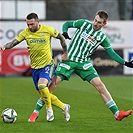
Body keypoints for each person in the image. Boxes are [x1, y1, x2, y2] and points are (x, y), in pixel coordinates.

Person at [47, 10, 133, 121]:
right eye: (95, 20)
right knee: (52, 85)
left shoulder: (102, 37)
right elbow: (67, 24)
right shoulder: (84, 24)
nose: (96, 23)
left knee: (100, 86)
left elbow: (112, 53)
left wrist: (125, 63)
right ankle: (36, 111)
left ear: (104, 24)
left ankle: (117, 113)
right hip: (69, 59)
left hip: (84, 63)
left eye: (99, 22)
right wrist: (64, 32)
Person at [0, 12, 70, 122]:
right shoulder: (26, 33)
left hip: (47, 64)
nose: (29, 27)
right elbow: (14, 42)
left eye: (32, 24)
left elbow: (61, 38)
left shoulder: (48, 30)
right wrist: (4, 47)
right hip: (35, 68)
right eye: (28, 24)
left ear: (38, 22)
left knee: (42, 85)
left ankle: (49, 109)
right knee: (44, 93)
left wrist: (65, 52)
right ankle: (64, 107)